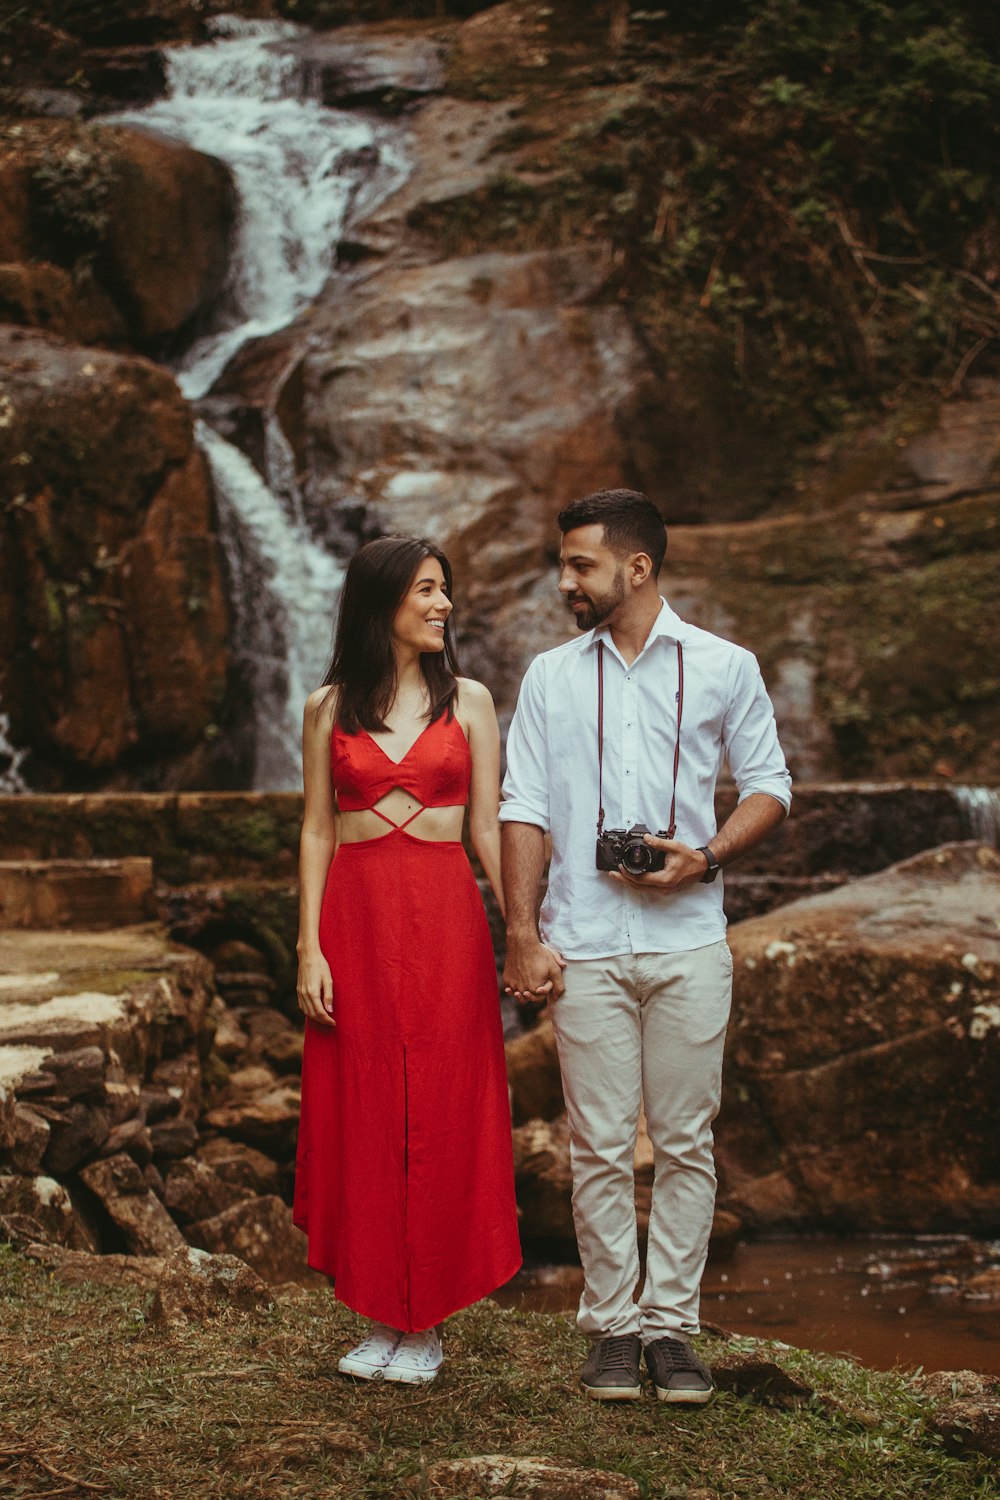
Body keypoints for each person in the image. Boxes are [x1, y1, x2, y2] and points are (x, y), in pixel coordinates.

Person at [499, 489, 791, 1405]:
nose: (564, 583)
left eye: (580, 565)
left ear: (638, 567)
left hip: (688, 942)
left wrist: (701, 858)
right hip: (582, 942)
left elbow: (771, 786)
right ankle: (612, 1330)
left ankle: (673, 1330)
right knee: (594, 1144)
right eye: (563, 565)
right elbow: (524, 807)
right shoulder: (550, 675)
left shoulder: (725, 665)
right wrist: (521, 932)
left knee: (685, 1143)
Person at [293, 534, 521, 1386]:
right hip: (355, 914)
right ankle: (377, 1313)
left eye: (446, 590)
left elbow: (488, 830)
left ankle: (424, 1321)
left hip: (443, 916)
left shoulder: (470, 700)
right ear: (382, 599)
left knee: (442, 1102)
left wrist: (524, 933)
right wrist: (308, 945)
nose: (442, 604)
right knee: (362, 1102)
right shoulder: (327, 706)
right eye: (426, 589)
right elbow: (317, 828)